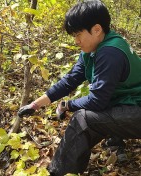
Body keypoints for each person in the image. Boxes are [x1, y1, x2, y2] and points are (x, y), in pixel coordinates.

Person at [17, 0, 141, 175]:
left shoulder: (109, 53)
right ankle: (115, 143)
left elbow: (97, 101)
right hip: (130, 105)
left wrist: (68, 105)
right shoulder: (95, 49)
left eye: (78, 35)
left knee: (83, 119)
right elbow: (69, 80)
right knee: (94, 113)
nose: (76, 41)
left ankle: (59, 172)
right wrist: (35, 105)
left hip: (136, 110)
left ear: (97, 29)